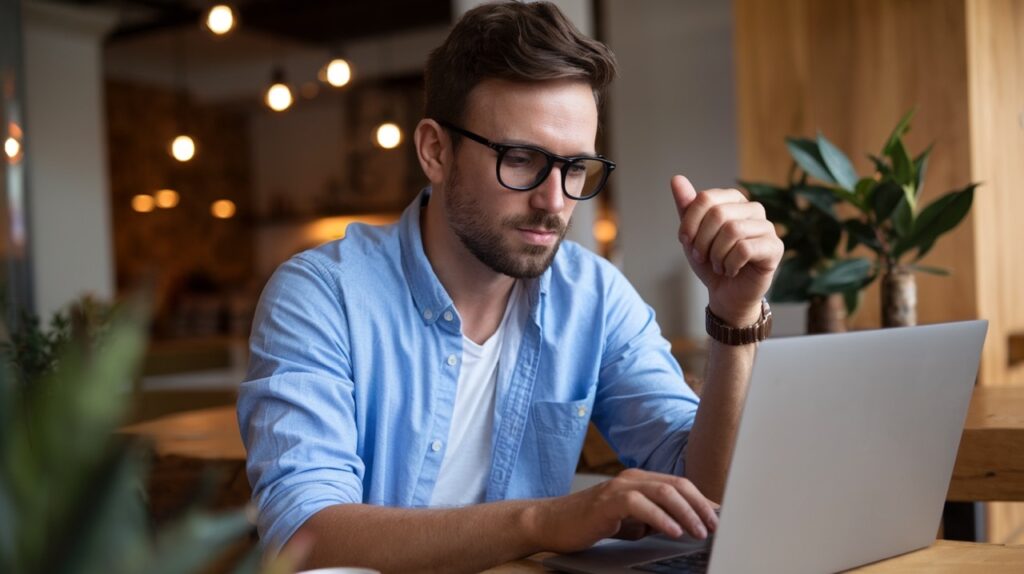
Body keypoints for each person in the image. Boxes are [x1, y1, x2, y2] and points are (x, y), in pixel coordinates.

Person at [237, 2, 783, 572]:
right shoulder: (322, 295)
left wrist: (735, 315)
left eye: (576, 168)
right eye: (520, 159)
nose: (554, 202)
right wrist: (543, 520)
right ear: (435, 151)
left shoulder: (592, 296)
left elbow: (709, 494)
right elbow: (302, 535)